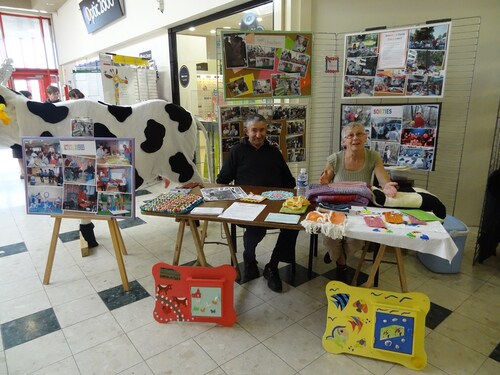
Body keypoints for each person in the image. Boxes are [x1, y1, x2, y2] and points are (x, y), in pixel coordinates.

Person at [216, 114, 297, 293]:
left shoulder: (274, 152)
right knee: (256, 228)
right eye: (254, 130)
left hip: (274, 203)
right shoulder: (237, 151)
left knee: (293, 227)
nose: (258, 135)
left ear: (266, 131)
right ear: (246, 131)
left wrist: (283, 197)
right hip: (248, 204)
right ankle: (249, 259)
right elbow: (222, 180)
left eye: (262, 130)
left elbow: (289, 181)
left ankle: (272, 266)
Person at [319, 122, 398, 280]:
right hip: (335, 208)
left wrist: (388, 186)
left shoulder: (373, 157)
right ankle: (339, 262)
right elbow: (325, 182)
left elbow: (383, 181)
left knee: (355, 242)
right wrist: (324, 179)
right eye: (350, 135)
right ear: (344, 141)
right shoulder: (335, 159)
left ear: (365, 137)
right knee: (332, 239)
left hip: (360, 208)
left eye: (359, 134)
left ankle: (338, 258)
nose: (355, 138)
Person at [11, 90, 32, 178]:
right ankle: (23, 172)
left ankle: (27, 172)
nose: (31, 100)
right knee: (20, 156)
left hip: (27, 135)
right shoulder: (15, 108)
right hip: (16, 136)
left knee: (28, 155)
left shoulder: (29, 107)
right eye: (29, 98)